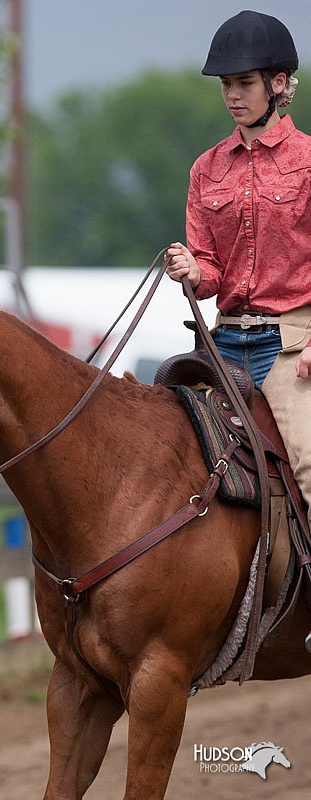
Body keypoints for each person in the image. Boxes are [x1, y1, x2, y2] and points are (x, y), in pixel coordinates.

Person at [165, 11, 311, 606]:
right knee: (161, 452)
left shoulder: (308, 161)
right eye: (225, 85)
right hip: (222, 344)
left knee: (308, 465)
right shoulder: (207, 169)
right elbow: (211, 273)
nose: (232, 96)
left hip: (291, 342)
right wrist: (192, 270)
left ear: (278, 84)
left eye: (243, 83)